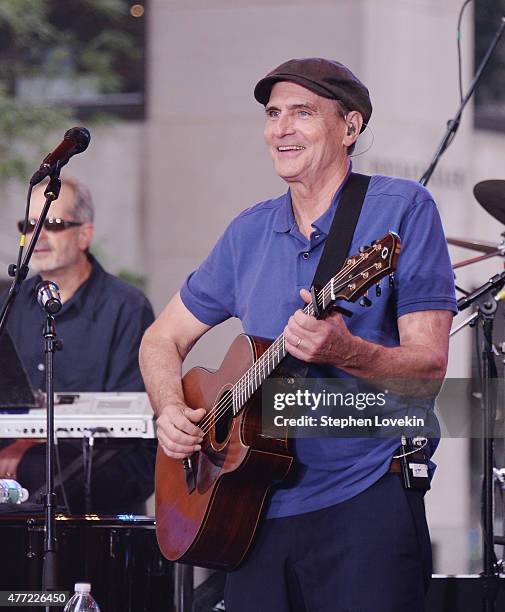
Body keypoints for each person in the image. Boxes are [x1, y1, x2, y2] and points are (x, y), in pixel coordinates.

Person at [139, 58, 457, 611]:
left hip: (363, 499)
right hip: (250, 510)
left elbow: (428, 371)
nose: (281, 129)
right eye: (272, 114)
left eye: (303, 113)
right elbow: (159, 341)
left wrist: (347, 351)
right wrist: (170, 408)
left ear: (350, 128)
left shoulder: (402, 209)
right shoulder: (249, 231)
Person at [0, 176, 156, 513]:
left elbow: (126, 429)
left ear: (84, 234)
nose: (38, 235)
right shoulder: (8, 306)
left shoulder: (126, 307)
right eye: (29, 224)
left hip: (100, 466)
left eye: (52, 224)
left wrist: (32, 444)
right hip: (16, 471)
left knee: (37, 469)